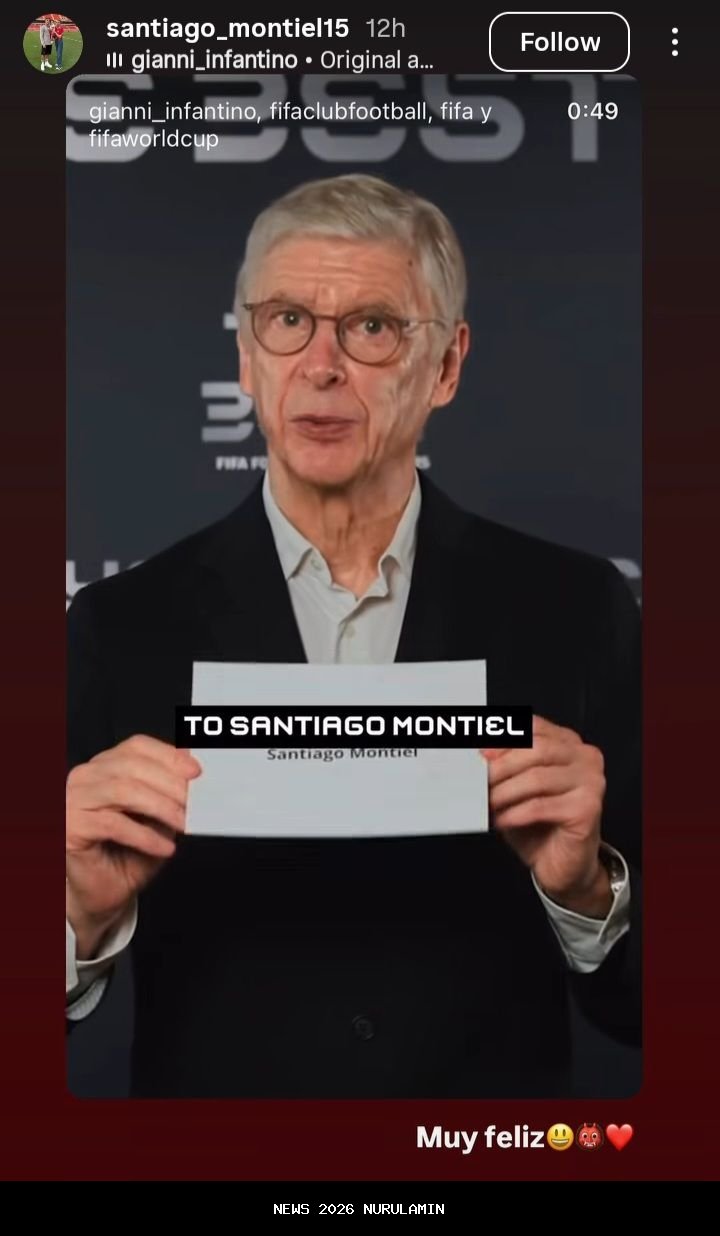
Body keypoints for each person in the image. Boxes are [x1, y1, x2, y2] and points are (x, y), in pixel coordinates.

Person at [66, 173, 641, 1099]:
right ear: (247, 357)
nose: (322, 365)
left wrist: (587, 894)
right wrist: (76, 918)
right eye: (288, 321)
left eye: (372, 326)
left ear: (446, 365)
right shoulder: (119, 626)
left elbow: (653, 1011)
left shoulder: (576, 609)